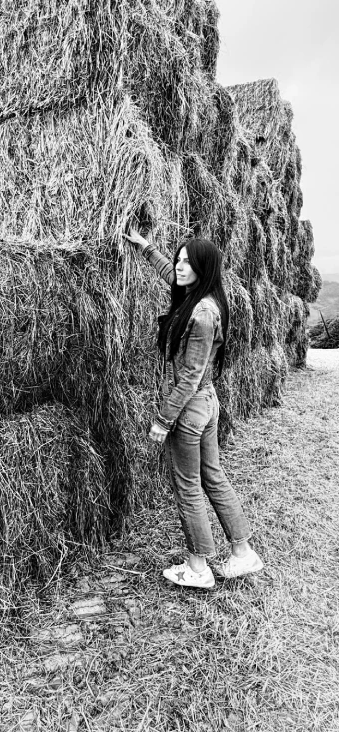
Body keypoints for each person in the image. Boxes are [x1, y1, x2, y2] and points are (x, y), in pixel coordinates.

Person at [124, 226, 264, 589]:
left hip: (189, 408)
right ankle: (242, 553)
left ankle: (197, 567)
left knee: (187, 485)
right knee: (212, 476)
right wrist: (147, 248)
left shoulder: (202, 315)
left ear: (205, 268)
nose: (180, 266)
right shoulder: (201, 299)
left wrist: (163, 419)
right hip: (205, 403)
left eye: (189, 261)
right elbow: (172, 277)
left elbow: (189, 375)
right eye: (179, 258)